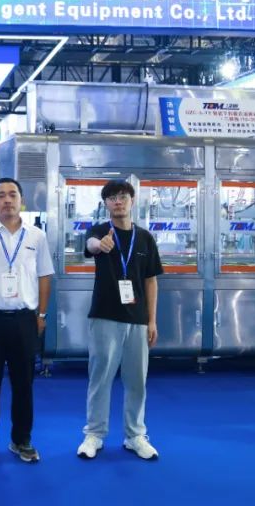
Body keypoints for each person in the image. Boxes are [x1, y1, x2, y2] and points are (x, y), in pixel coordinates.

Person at [0, 178, 53, 464]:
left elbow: (44, 276)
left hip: (24, 320)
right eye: (1, 195)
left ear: (21, 200)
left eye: (12, 195)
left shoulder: (36, 236)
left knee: (23, 385)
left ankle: (21, 440)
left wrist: (42, 315)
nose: (7, 200)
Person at [77, 179, 163, 462]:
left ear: (132, 201)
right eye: (112, 197)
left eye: (123, 196)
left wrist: (152, 321)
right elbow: (90, 245)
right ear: (105, 204)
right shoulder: (100, 231)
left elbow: (151, 281)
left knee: (137, 381)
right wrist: (99, 245)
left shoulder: (145, 238)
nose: (118, 201)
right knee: (100, 378)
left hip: (138, 320)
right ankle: (94, 434)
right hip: (104, 316)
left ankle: (135, 435)